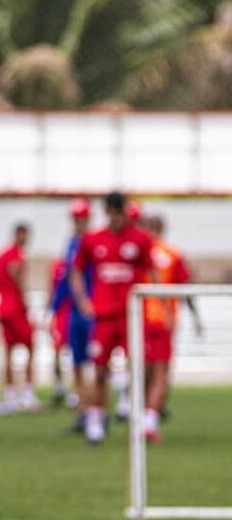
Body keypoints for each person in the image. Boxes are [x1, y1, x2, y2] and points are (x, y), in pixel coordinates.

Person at [69, 191, 153, 445]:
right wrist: (82, 299)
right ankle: (96, 418)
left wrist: (160, 304)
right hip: (104, 316)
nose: (117, 218)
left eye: (121, 212)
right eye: (113, 212)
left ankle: (130, 404)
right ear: (106, 212)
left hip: (131, 315)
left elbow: (153, 271)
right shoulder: (92, 240)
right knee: (99, 368)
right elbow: (75, 271)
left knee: (138, 365)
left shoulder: (140, 239)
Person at [139, 214, 203, 442]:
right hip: (164, 319)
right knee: (161, 372)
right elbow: (185, 290)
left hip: (140, 318)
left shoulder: (139, 253)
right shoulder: (173, 254)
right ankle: (149, 421)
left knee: (143, 370)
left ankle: (137, 411)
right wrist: (197, 319)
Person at [48, 199, 94, 429]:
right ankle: (83, 411)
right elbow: (64, 281)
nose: (77, 222)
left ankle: (95, 413)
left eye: (81, 217)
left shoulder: (94, 243)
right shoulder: (71, 245)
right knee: (76, 363)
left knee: (94, 366)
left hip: (92, 311)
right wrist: (54, 308)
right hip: (75, 312)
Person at [0, 223, 38, 412]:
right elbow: (16, 273)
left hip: (3, 308)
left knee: (8, 352)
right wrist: (24, 299)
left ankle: (9, 394)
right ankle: (27, 392)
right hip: (15, 308)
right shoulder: (16, 255)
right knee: (31, 346)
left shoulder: (1, 254)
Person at [46, 257, 71, 407]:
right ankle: (59, 387)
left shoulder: (83, 264)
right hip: (60, 314)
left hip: (74, 313)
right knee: (56, 351)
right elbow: (52, 290)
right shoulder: (56, 266)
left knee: (76, 354)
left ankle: (76, 392)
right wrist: (49, 313)